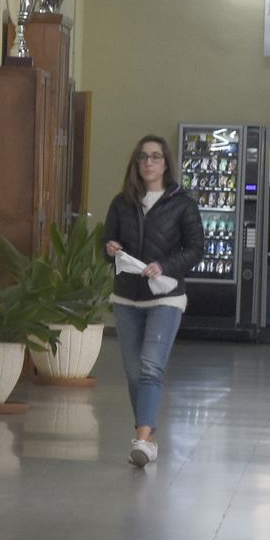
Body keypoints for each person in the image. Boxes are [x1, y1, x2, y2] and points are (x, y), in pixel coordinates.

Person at [103, 134, 203, 468]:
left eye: (155, 157)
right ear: (136, 163)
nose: (149, 162)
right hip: (126, 296)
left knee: (150, 367)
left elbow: (195, 249)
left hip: (166, 296)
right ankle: (148, 435)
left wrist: (164, 265)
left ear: (166, 163)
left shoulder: (182, 204)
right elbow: (107, 244)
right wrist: (110, 249)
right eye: (143, 157)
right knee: (134, 372)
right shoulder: (122, 203)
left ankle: (142, 440)